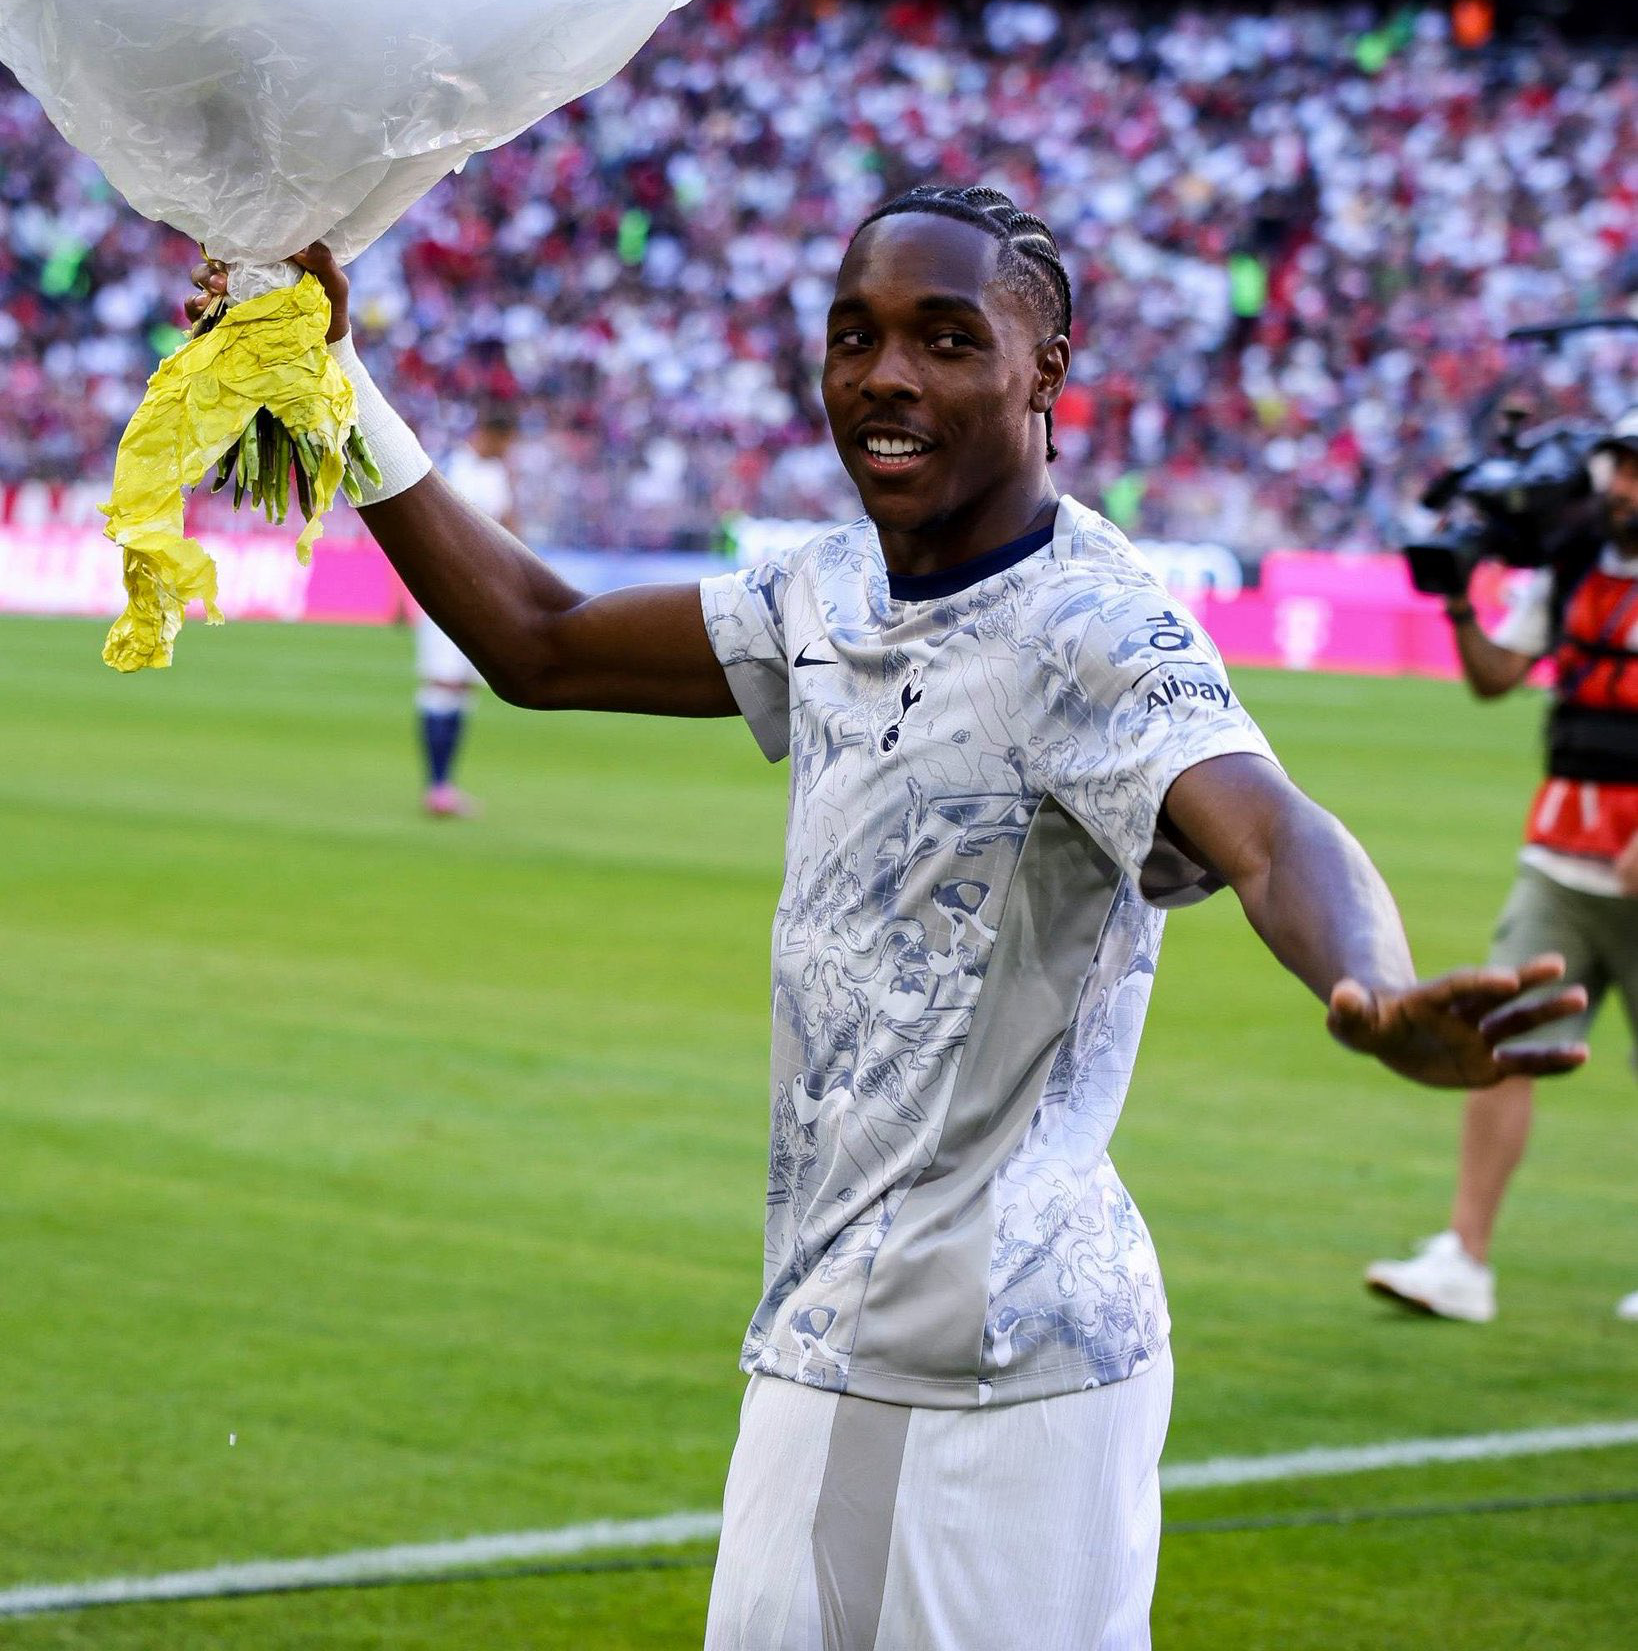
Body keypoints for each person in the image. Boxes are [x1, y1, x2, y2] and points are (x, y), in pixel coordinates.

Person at [190, 190, 1583, 1650]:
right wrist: (330, 382)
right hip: (854, 1332)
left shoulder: (1092, 629)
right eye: (853, 336)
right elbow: (536, 643)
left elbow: (1269, 824)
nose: (884, 375)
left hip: (976, 1366)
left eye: (944, 338)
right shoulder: (831, 583)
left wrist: (1368, 986)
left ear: (1045, 373)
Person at [1368, 410, 1638, 1326]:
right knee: (1507, 1043)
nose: (1625, 491)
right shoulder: (1573, 567)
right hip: (1562, 850)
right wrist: (1456, 599)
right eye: (1621, 472)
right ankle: (1464, 1261)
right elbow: (1495, 676)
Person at [413, 406, 517, 817]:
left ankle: (445, 786)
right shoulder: (453, 466)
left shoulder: (495, 474)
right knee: (441, 683)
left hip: (482, 597)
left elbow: (509, 528)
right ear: (490, 435)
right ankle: (436, 786)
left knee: (462, 687)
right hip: (445, 593)